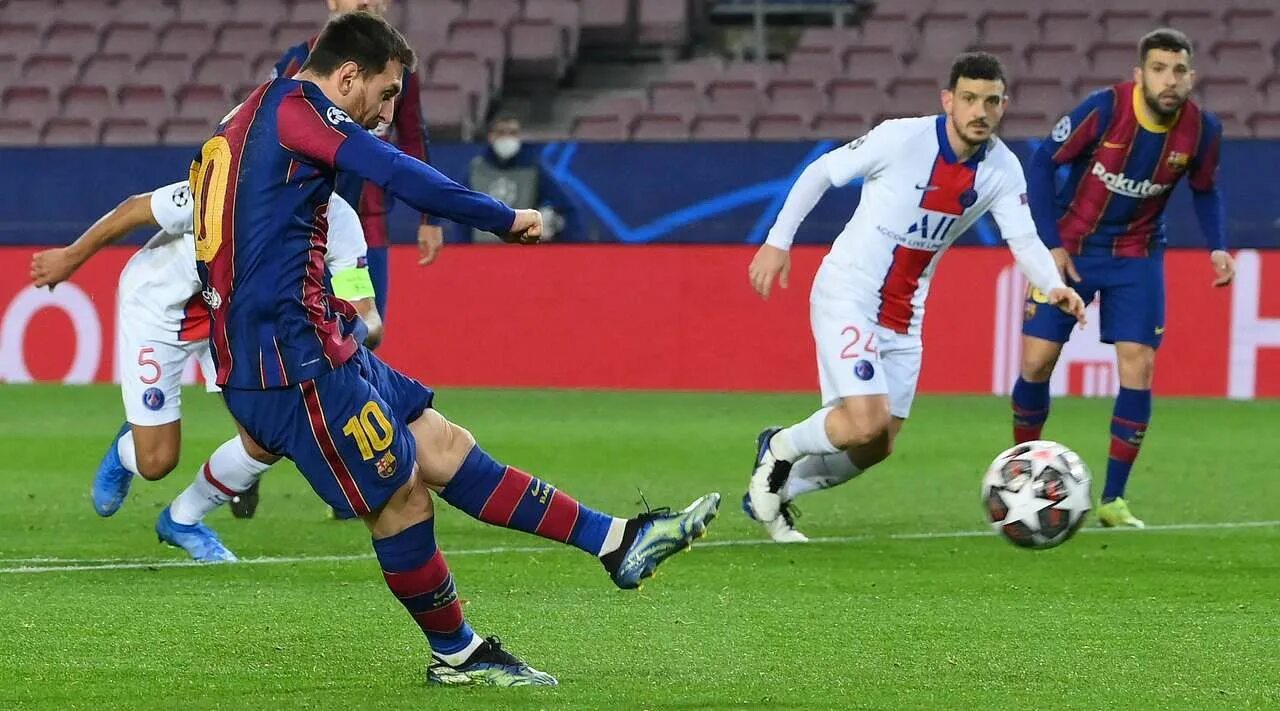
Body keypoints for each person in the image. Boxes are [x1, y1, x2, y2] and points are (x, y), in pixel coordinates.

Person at [195, 12, 719, 686]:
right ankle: (458, 654)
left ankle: (617, 540)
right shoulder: (303, 113)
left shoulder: (250, 112)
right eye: (384, 94)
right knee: (403, 497)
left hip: (315, 339)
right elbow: (398, 173)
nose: (386, 112)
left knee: (442, 444)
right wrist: (503, 218)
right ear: (347, 75)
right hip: (291, 363)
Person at [743, 52, 1086, 543]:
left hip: (903, 315)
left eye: (991, 101)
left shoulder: (1003, 169)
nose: (979, 112)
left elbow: (1025, 240)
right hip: (849, 292)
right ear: (948, 100)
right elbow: (822, 171)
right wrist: (778, 241)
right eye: (968, 99)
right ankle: (777, 448)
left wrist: (1054, 287)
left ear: (1003, 105)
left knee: (876, 445)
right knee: (864, 422)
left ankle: (780, 488)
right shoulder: (900, 139)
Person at [28, 183, 378, 561]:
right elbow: (135, 209)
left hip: (229, 321)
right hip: (160, 305)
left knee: (267, 439)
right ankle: (129, 447)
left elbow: (366, 314)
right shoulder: (236, 181)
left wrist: (351, 330)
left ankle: (182, 519)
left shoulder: (341, 221)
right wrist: (70, 257)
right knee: (157, 462)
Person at [1011, 28, 1235, 529]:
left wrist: (1217, 245)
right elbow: (1044, 161)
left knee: (1139, 365)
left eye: (1178, 71)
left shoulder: (1202, 130)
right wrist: (1050, 245)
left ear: (1191, 77)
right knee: (1037, 360)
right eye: (1159, 69)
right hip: (1074, 248)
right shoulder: (1104, 109)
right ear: (1140, 74)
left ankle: (1113, 500)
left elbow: (1206, 188)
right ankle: (1022, 474)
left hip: (1137, 255)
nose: (1169, 80)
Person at [274, 0, 444, 322]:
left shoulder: (399, 69)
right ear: (332, 1)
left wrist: (429, 217)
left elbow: (413, 137)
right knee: (307, 326)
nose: (364, 1)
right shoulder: (300, 60)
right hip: (307, 221)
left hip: (369, 225)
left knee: (364, 328)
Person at [466, 116, 581, 243]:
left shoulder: (533, 169)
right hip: (481, 250)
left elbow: (566, 207)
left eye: (513, 133)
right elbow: (463, 212)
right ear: (491, 136)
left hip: (521, 250)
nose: (507, 138)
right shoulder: (476, 170)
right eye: (501, 132)